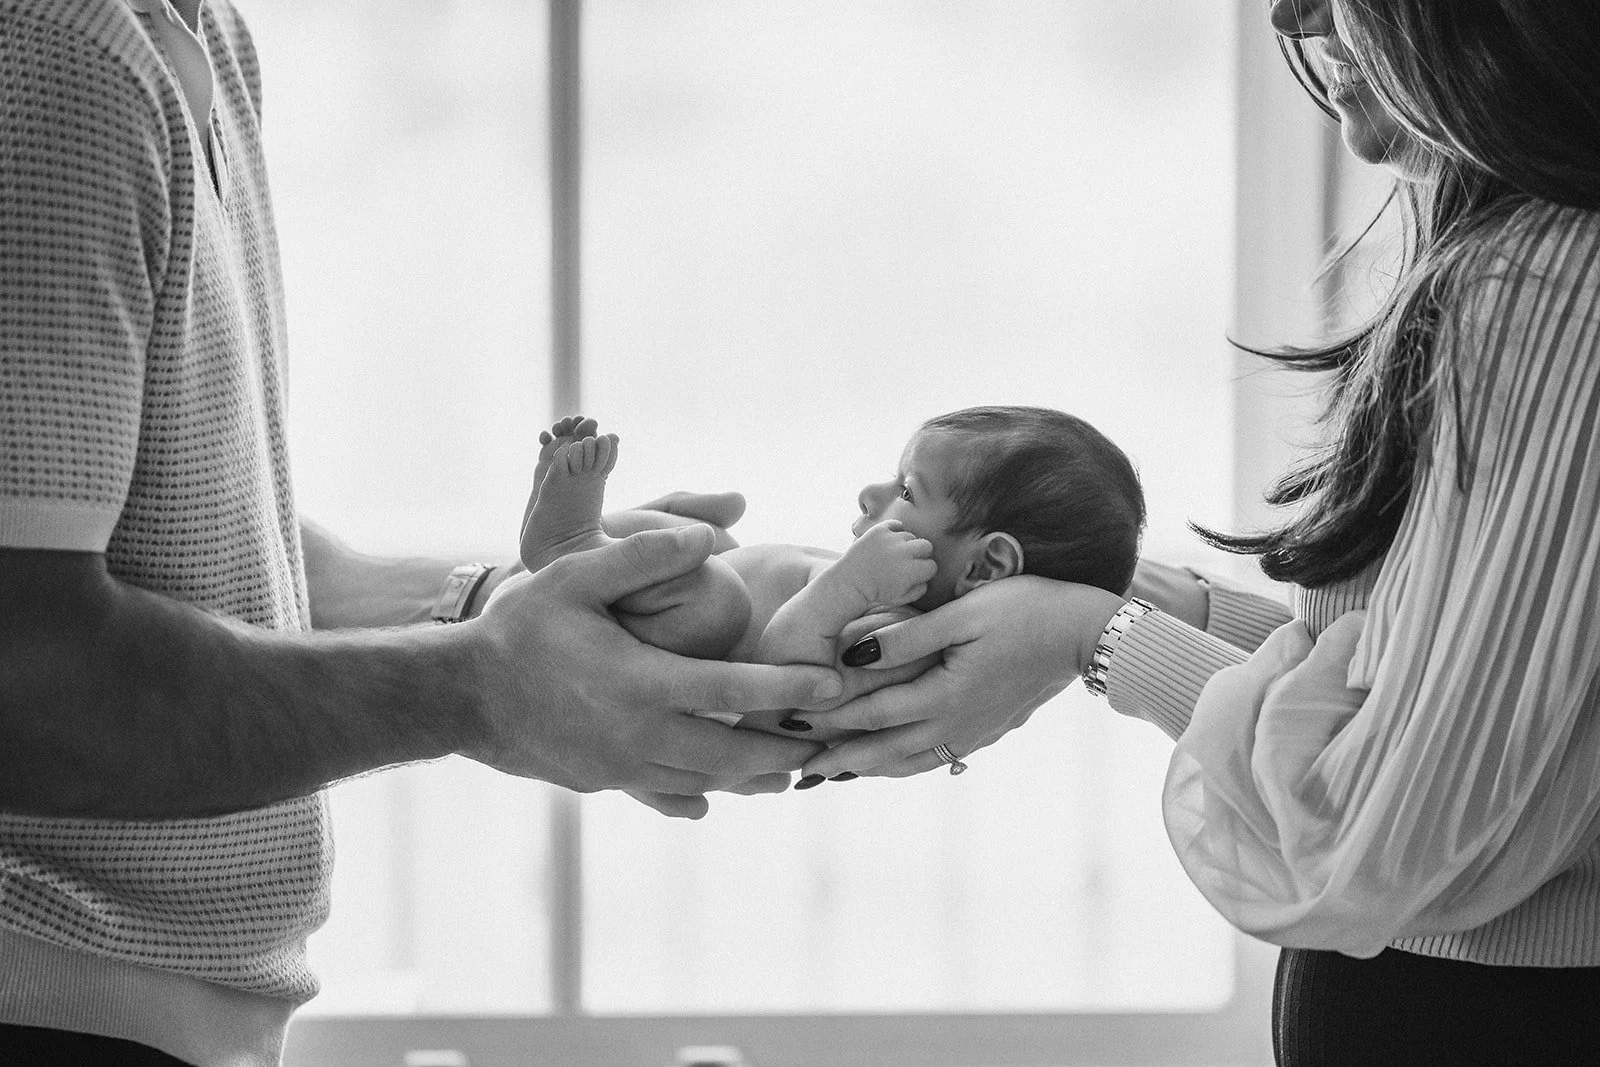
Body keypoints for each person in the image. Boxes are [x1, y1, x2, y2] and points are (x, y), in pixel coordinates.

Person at [0, 1, 838, 1063]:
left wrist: (512, 605)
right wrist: (481, 685)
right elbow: (27, 675)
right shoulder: (56, 50)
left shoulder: (197, 35)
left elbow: (177, 544)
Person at [792, 0, 1600, 1060]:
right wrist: (1153, 604)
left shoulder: (1544, 281)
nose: (1292, 12)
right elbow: (1435, 700)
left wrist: (1094, 639)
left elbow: (1370, 836)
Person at [516, 407, 1145, 742]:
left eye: (906, 490)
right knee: (711, 546)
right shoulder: (897, 595)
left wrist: (845, 586)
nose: (871, 492)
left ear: (985, 565)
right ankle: (577, 549)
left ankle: (568, 545)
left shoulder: (909, 643)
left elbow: (792, 675)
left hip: (692, 656)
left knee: (719, 595)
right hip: (665, 616)